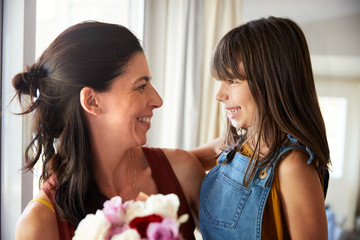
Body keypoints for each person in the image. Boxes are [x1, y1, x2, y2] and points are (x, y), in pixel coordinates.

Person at [13, 21, 205, 240]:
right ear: (92, 100)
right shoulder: (38, 225)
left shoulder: (183, 173)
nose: (157, 100)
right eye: (141, 86)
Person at [191, 16, 330, 239]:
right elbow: (179, 162)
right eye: (220, 81)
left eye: (233, 81)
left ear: (271, 82)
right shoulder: (235, 147)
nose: (219, 95)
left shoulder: (293, 166)